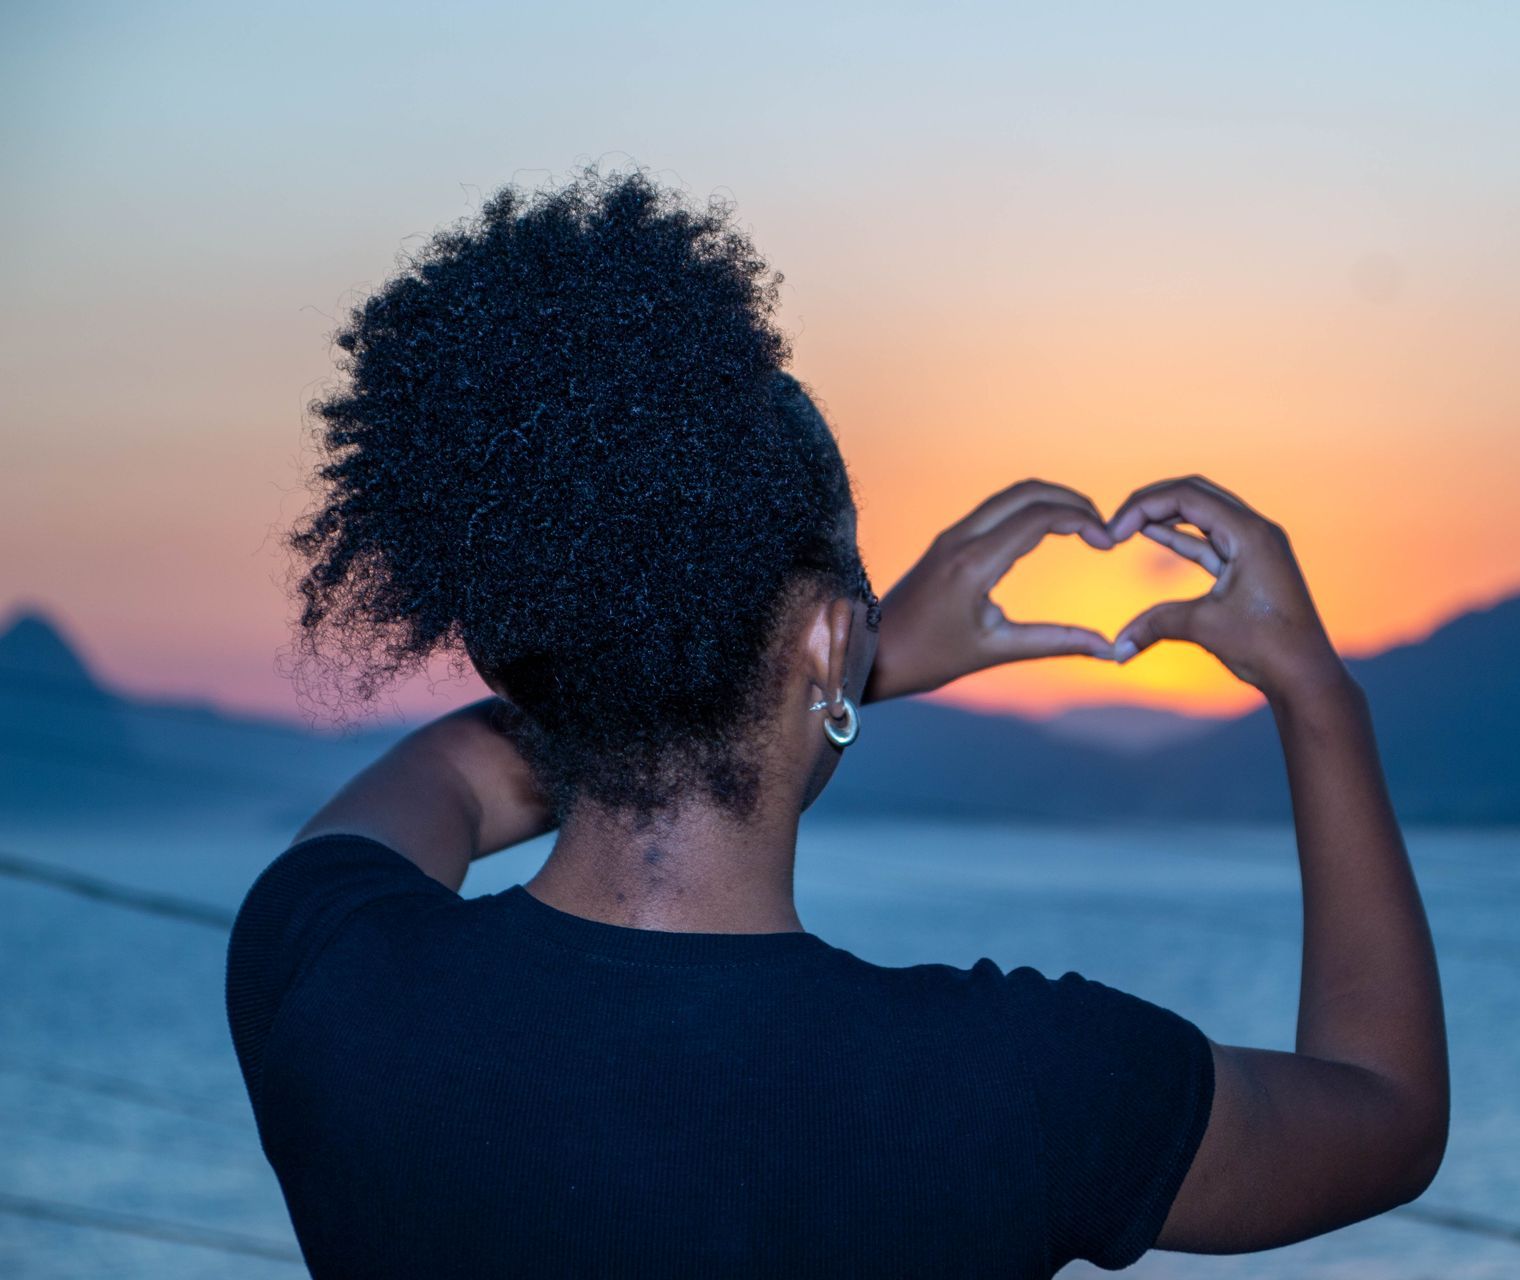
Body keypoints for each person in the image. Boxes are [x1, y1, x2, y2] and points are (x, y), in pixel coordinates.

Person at [228, 169, 1447, 1277]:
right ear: (822, 633)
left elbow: (455, 775)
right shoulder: (1010, 1087)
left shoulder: (326, 980)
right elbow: (1384, 1110)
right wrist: (1315, 689)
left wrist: (852, 653)